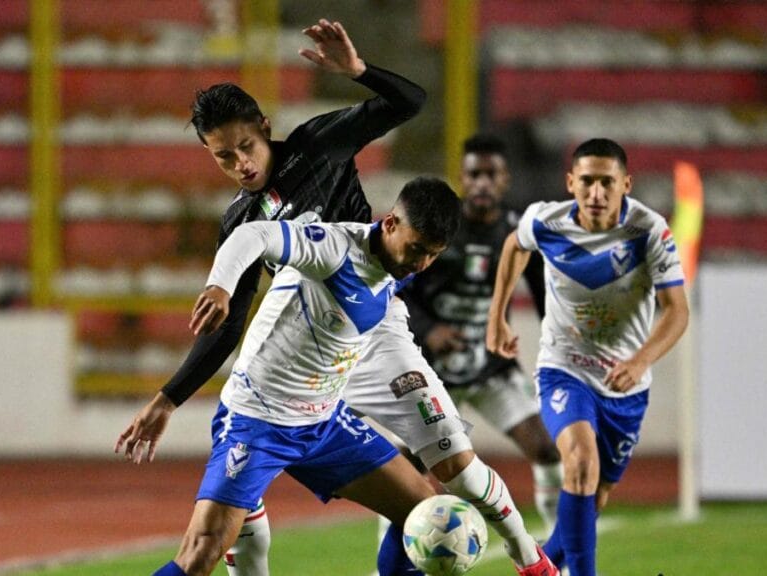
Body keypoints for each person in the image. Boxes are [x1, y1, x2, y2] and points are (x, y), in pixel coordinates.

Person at [115, 19, 557, 576]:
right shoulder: (242, 219)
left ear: (265, 128)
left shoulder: (317, 148)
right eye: (223, 157)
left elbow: (409, 102)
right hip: (299, 357)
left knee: (444, 492)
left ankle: (533, 562)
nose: (241, 165)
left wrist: (359, 73)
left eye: (246, 147)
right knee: (213, 547)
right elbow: (227, 325)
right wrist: (169, 398)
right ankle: (244, 517)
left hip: (370, 329)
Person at [146, 178, 459, 576]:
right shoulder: (334, 248)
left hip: (323, 423)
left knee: (423, 512)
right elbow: (254, 232)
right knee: (200, 555)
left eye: (433, 255)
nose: (420, 264)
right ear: (391, 223)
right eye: (417, 249)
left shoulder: (401, 263)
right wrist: (221, 286)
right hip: (258, 419)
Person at [486, 138, 690, 576]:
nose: (596, 193)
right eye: (587, 182)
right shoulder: (546, 220)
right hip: (564, 368)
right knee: (579, 461)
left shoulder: (649, 231)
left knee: (591, 498)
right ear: (571, 183)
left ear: (625, 184)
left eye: (607, 183)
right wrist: (498, 315)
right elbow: (513, 247)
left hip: (625, 384)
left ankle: (537, 568)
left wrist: (639, 361)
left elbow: (677, 312)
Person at [399, 133, 562, 534]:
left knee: (547, 450)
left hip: (492, 368)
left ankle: (563, 547)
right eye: (475, 174)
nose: (483, 183)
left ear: (505, 179)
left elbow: (546, 299)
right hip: (434, 372)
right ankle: (394, 558)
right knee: (407, 469)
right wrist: (429, 329)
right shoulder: (439, 225)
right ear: (462, 177)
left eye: (492, 175)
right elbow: (398, 289)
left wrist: (561, 348)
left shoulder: (518, 233)